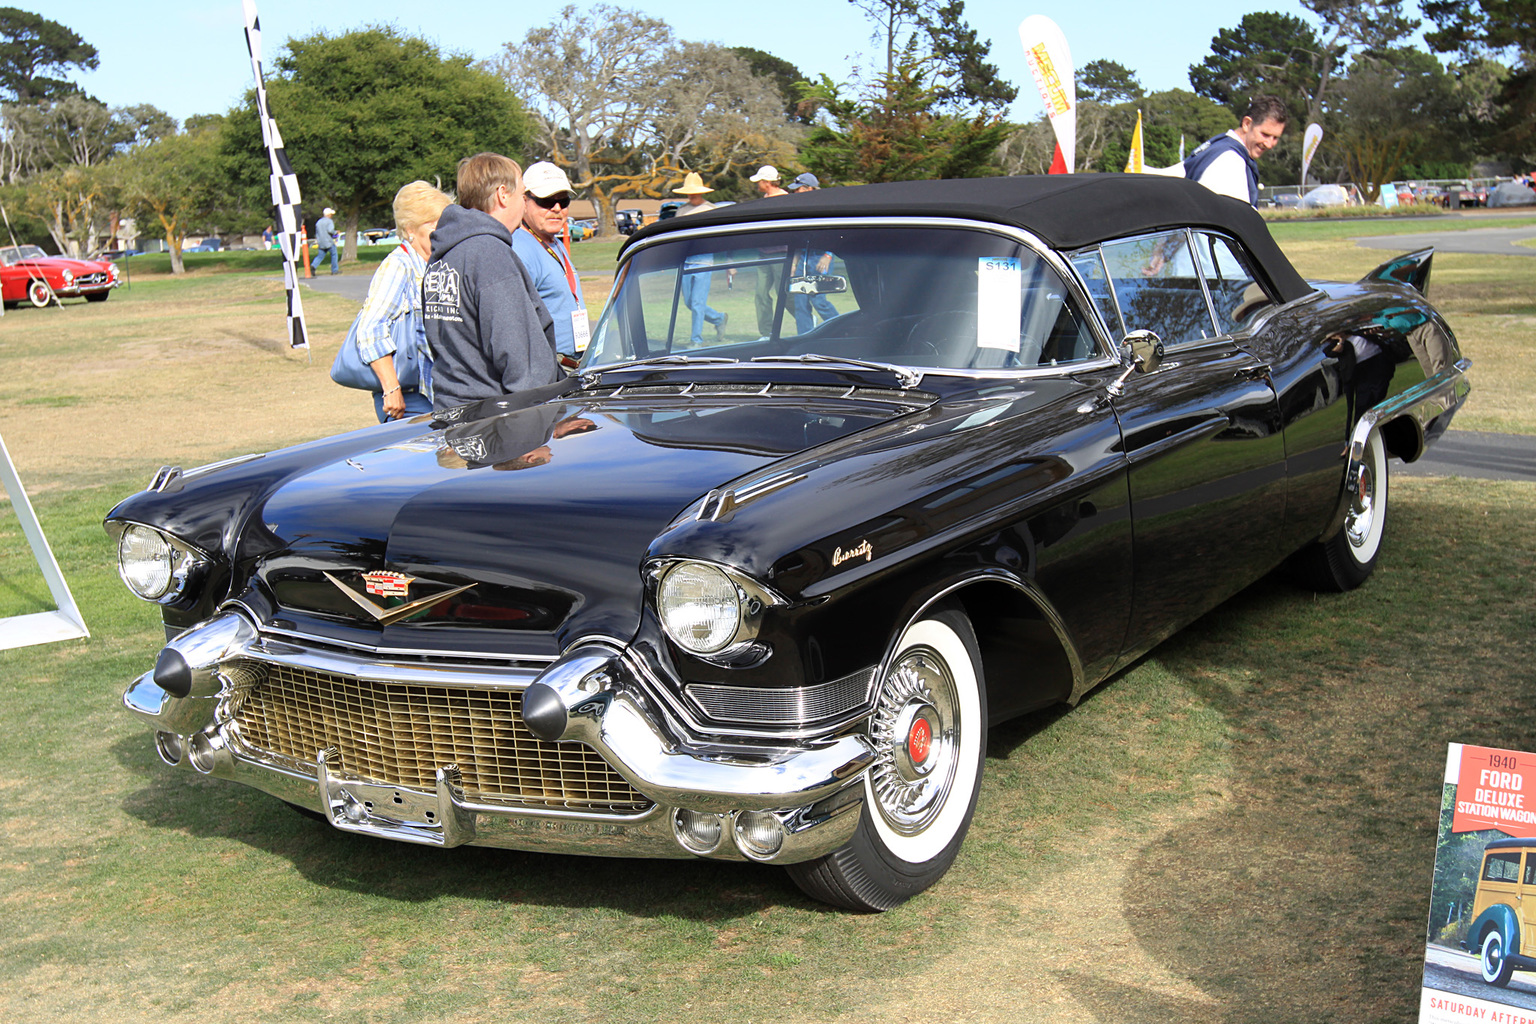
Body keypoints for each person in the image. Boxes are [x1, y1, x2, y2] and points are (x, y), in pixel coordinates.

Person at [423, 152, 562, 411]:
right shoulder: (490, 254)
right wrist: (533, 423)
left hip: (452, 412)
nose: (523, 204)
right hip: (496, 421)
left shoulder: (443, 255)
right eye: (522, 195)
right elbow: (521, 357)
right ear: (502, 194)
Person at [348, 181, 452, 422]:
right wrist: (392, 389)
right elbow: (370, 330)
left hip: (437, 395)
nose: (441, 233)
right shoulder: (399, 265)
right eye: (432, 226)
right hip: (410, 399)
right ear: (410, 229)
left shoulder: (435, 262)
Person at [510, 162, 587, 368]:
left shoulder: (555, 242)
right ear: (524, 201)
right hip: (550, 367)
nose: (556, 209)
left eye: (563, 201)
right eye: (546, 201)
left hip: (573, 364)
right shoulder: (520, 247)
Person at [1181, 95, 1288, 207]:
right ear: (1247, 124)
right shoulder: (1231, 161)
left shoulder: (1216, 145)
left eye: (1275, 138)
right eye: (1265, 134)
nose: (1269, 144)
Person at [672, 171, 727, 345]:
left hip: (704, 261)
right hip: (685, 261)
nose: (692, 195)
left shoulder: (711, 210)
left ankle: (696, 339)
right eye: (689, 192)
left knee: (697, 303)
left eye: (695, 191)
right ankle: (719, 318)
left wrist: (728, 262)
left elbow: (721, 237)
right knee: (689, 302)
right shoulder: (681, 211)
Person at [748, 165, 789, 338]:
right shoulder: (764, 198)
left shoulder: (785, 199)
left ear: (767, 182)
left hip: (782, 252)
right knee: (761, 293)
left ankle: (806, 319)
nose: (757, 184)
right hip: (764, 253)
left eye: (759, 181)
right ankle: (767, 332)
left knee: (785, 293)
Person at [312, 207, 339, 275]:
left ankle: (313, 265)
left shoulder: (319, 222)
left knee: (320, 256)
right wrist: (336, 232)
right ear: (329, 215)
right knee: (334, 254)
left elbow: (317, 233)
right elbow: (330, 230)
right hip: (328, 242)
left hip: (321, 242)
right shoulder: (329, 221)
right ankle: (334, 270)